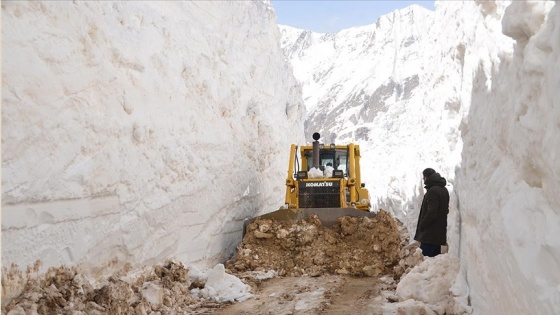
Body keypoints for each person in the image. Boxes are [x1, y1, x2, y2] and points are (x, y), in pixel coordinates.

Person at [414, 168, 449, 257]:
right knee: (433, 261)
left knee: (427, 260)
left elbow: (432, 213)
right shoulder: (443, 189)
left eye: (423, 177)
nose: (423, 180)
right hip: (438, 234)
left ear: (426, 177)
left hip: (430, 235)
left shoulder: (433, 191)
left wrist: (422, 224)